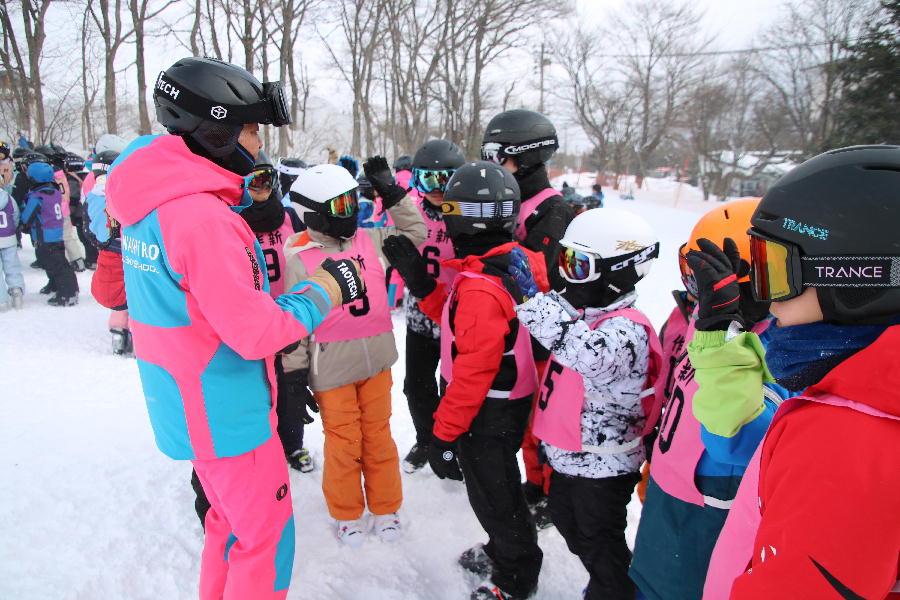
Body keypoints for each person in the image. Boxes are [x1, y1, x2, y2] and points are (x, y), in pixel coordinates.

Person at [104, 56, 364, 600]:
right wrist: (327, 289)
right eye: (251, 129)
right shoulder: (202, 219)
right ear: (216, 132)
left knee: (227, 526)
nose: (258, 142)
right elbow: (255, 331)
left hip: (189, 400)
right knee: (265, 540)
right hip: (226, 413)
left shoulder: (154, 197)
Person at [692, 145, 900, 599]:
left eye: (775, 272)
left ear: (859, 282)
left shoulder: (844, 437)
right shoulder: (858, 399)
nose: (768, 301)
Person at [384, 160, 549, 600]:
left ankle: (516, 575)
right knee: (498, 488)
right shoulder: (512, 262)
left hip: (488, 409)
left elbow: (473, 371)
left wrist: (443, 433)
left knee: (494, 495)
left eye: (449, 210)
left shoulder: (479, 286)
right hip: (507, 400)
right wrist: (423, 286)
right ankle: (504, 549)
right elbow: (464, 324)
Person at [629, 198, 776, 600]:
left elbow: (740, 438)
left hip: (708, 501)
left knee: (680, 589)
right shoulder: (705, 318)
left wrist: (725, 331)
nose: (699, 295)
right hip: (670, 483)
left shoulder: (777, 348)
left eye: (708, 281)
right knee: (648, 578)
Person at [516, 208, 662, 600]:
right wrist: (535, 295)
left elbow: (590, 356)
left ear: (617, 274)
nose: (566, 275)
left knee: (599, 539)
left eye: (578, 266)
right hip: (570, 456)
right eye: (564, 260)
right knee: (568, 522)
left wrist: (533, 303)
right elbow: (561, 320)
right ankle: (606, 580)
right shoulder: (587, 311)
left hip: (605, 465)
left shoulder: (628, 328)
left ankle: (613, 590)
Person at [281, 158, 425, 546]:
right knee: (344, 444)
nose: (351, 212)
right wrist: (293, 375)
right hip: (331, 369)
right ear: (315, 213)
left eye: (352, 201)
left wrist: (391, 193)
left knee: (378, 437)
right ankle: (346, 514)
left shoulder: (370, 241)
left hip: (376, 362)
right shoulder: (300, 258)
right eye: (341, 205)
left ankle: (386, 506)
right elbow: (294, 323)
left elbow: (416, 231)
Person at [481, 108, 576, 524]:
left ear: (525, 156)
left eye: (496, 156)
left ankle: (549, 490)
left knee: (542, 422)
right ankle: (536, 481)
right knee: (524, 423)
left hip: (544, 339)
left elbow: (541, 275)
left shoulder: (551, 210)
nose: (491, 164)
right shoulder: (514, 200)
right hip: (518, 330)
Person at [399, 138, 465, 474]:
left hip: (459, 320)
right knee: (416, 386)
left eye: (446, 180)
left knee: (453, 388)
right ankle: (426, 438)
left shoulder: (466, 214)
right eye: (429, 180)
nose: (437, 189)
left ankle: (451, 444)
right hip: (420, 317)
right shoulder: (411, 214)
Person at [21, 161, 79, 306]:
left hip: (45, 237)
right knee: (54, 262)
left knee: (56, 265)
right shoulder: (54, 192)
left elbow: (27, 217)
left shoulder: (37, 196)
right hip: (56, 235)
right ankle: (54, 284)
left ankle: (68, 293)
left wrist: (23, 223)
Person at [0, 181, 24, 311]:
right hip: (9, 237)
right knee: (12, 266)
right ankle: (17, 291)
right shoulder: (8, 197)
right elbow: (15, 215)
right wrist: (12, 229)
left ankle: (2, 301)